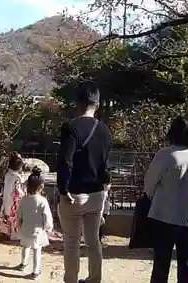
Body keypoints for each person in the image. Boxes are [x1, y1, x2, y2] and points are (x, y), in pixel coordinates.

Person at [57, 81, 112, 283]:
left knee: (71, 241)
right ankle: (94, 279)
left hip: (74, 194)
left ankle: (71, 280)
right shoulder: (105, 130)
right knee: (93, 240)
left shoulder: (71, 127)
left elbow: (65, 160)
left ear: (78, 103)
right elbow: (105, 164)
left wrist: (63, 189)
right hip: (97, 194)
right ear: (97, 104)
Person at [144, 117, 188, 283]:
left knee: (161, 265)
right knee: (187, 265)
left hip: (163, 215)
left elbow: (149, 185)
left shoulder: (165, 154)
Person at [16, 167, 54, 280]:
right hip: (37, 231)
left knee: (25, 247)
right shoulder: (42, 201)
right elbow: (47, 216)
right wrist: (48, 227)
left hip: (25, 228)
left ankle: (23, 264)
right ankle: (35, 271)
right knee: (37, 250)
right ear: (41, 186)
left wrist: (19, 226)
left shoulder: (24, 199)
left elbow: (19, 214)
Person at [2, 152, 25, 240]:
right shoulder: (17, 177)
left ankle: (9, 231)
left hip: (7, 197)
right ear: (19, 167)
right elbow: (18, 189)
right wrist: (23, 195)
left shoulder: (7, 175)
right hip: (14, 199)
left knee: (8, 215)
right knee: (15, 216)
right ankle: (15, 235)